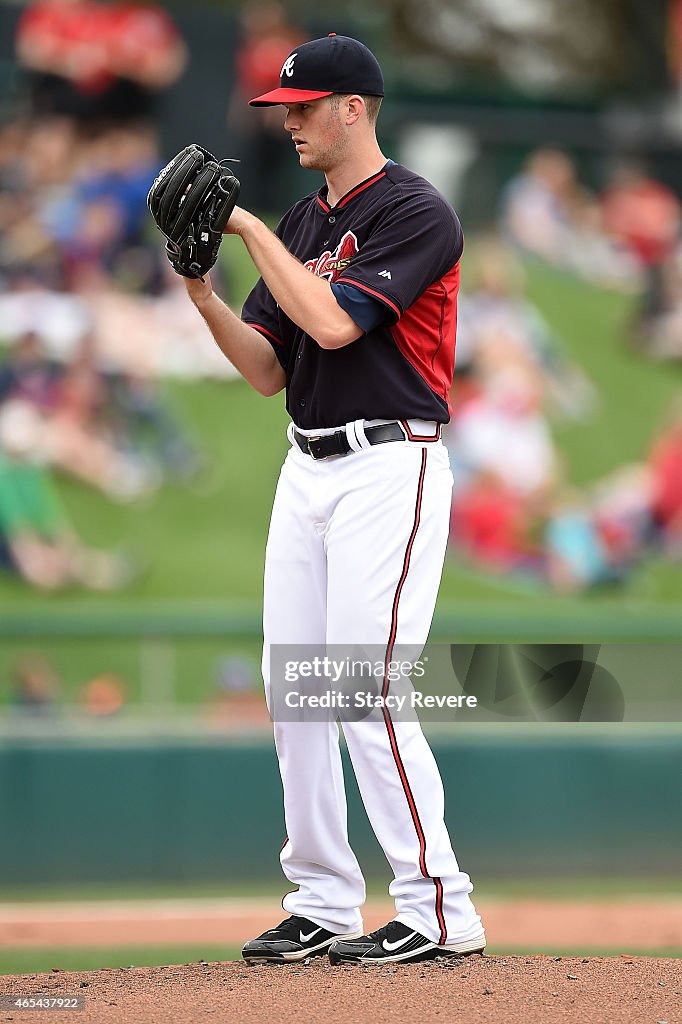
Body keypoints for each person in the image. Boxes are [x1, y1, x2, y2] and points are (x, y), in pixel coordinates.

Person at [179, 34, 485, 966]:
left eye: (305, 105)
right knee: (296, 694)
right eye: (285, 106)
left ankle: (439, 908)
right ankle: (320, 896)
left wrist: (250, 233)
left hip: (390, 465)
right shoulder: (304, 220)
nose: (291, 119)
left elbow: (335, 324)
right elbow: (270, 367)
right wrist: (199, 288)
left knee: (362, 686)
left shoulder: (416, 211)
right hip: (306, 464)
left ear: (357, 107)